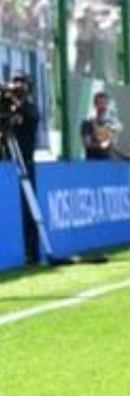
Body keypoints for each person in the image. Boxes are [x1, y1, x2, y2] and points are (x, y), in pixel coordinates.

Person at [0, 70, 40, 263]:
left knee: (27, 210)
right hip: (7, 164)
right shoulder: (6, 108)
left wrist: (15, 99)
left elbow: (27, 115)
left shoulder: (31, 109)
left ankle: (32, 250)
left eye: (21, 82)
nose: (17, 86)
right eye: (14, 81)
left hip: (25, 164)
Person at [80, 91, 130, 161]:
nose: (103, 106)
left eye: (105, 103)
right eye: (100, 103)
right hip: (92, 165)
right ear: (95, 105)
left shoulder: (109, 125)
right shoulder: (87, 124)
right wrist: (102, 145)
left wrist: (125, 156)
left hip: (107, 163)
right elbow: (87, 144)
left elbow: (111, 146)